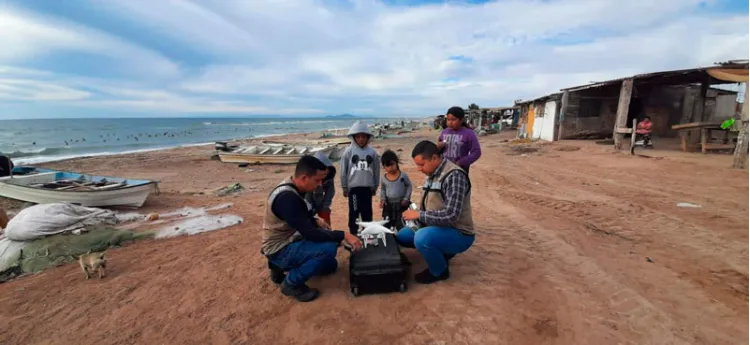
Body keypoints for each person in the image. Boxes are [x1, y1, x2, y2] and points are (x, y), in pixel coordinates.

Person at [262, 155, 363, 302]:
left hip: (287, 239)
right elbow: (311, 234)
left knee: (331, 265)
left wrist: (316, 220)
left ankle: (277, 267)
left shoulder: (292, 186)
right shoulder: (288, 199)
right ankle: (291, 283)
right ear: (304, 177)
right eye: (317, 180)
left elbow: (301, 217)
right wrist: (344, 235)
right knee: (328, 249)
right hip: (279, 248)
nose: (320, 184)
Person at [398, 140, 475, 284]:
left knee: (421, 238)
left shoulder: (454, 176)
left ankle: (439, 271)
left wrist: (419, 215)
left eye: (421, 164)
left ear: (434, 158)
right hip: (436, 226)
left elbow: (451, 215)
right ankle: (441, 251)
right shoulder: (432, 173)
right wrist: (416, 214)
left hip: (459, 233)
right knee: (403, 235)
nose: (419, 169)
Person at [340, 120, 380, 235]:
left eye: (363, 137)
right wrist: (344, 187)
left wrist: (375, 186)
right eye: (358, 137)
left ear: (368, 137)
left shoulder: (372, 152)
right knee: (354, 213)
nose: (361, 139)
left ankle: (367, 235)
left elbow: (376, 171)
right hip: (354, 190)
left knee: (367, 213)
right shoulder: (348, 152)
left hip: (367, 189)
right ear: (354, 137)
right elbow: (344, 171)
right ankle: (353, 234)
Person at [437, 106, 482, 175]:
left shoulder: (469, 133)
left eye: (453, 119)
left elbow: (476, 152)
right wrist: (439, 146)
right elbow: (438, 148)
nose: (450, 122)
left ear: (461, 120)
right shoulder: (444, 132)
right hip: (444, 167)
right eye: (448, 120)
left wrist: (461, 162)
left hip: (460, 169)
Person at [379, 149, 413, 230]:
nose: (391, 168)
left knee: (401, 223)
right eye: (387, 166)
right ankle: (389, 239)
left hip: (401, 204)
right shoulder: (384, 178)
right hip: (389, 205)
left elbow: (409, 186)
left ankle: (401, 238)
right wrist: (382, 199)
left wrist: (406, 198)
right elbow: (383, 189)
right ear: (384, 167)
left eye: (392, 164)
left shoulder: (403, 176)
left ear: (396, 163)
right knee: (387, 223)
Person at [304, 151, 336, 226]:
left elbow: (330, 191)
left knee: (325, 213)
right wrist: (311, 209)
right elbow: (307, 197)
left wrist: (325, 206)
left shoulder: (329, 174)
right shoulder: (308, 176)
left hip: (321, 197)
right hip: (309, 197)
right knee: (309, 216)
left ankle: (328, 233)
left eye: (325, 174)